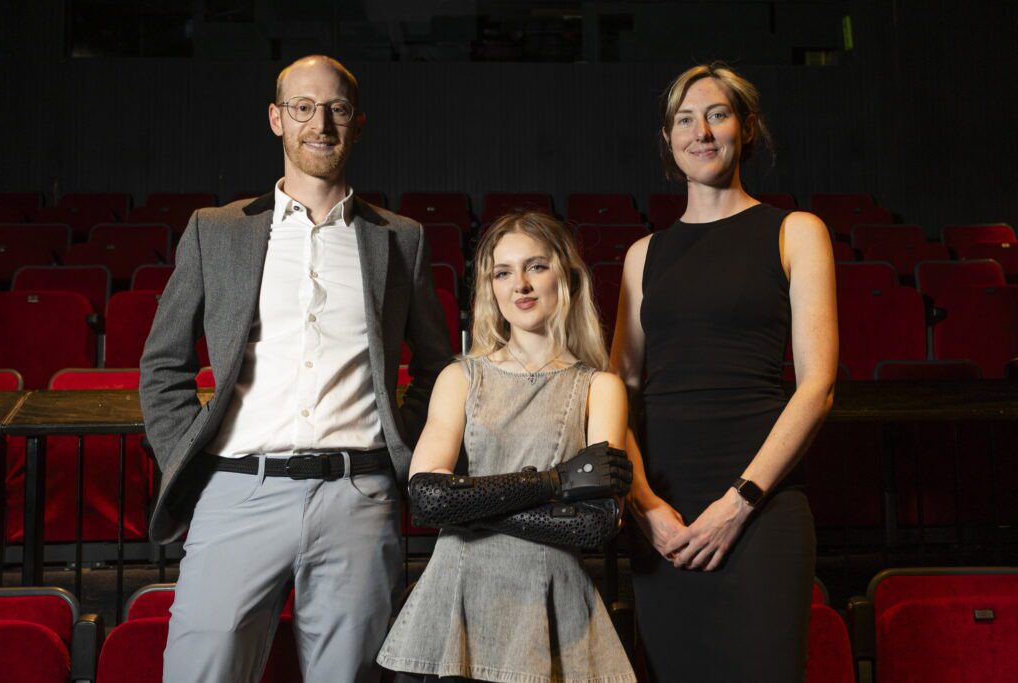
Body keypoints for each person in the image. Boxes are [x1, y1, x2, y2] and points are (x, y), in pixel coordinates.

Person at [139, 55, 452, 683]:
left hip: (358, 496)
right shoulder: (214, 231)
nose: (321, 124)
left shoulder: (401, 238)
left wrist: (396, 448)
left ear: (358, 123)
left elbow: (438, 368)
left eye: (336, 109)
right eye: (303, 108)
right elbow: (163, 363)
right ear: (276, 119)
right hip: (237, 490)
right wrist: (193, 465)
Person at [611, 63, 838, 681]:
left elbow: (817, 388)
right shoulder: (643, 255)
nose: (702, 132)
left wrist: (739, 503)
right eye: (685, 120)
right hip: (665, 519)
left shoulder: (796, 232)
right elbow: (615, 395)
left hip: (761, 509)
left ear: (747, 127)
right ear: (668, 139)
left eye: (717, 115)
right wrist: (645, 508)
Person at [377, 211, 638, 683]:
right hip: (455, 596)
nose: (521, 284)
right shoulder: (459, 377)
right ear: (490, 288)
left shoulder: (600, 387)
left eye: (536, 266)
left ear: (565, 277)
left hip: (553, 602)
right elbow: (429, 498)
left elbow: (595, 523)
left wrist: (468, 505)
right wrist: (555, 482)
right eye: (503, 272)